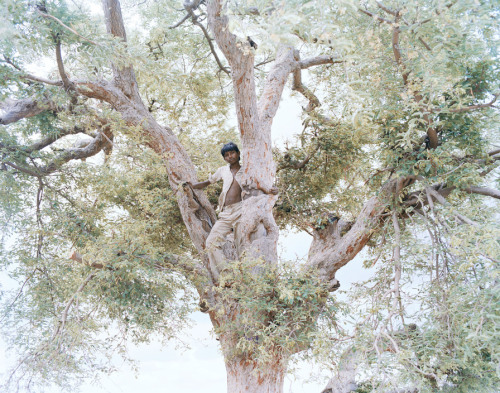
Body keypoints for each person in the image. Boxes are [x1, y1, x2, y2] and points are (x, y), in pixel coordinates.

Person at [186, 142, 244, 281]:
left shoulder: (247, 169)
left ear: (238, 153)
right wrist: (193, 185)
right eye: (226, 155)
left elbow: (259, 184)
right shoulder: (223, 170)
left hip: (241, 210)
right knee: (211, 243)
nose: (230, 157)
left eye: (232, 153)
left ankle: (245, 278)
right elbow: (208, 182)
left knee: (242, 245)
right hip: (225, 212)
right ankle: (226, 275)